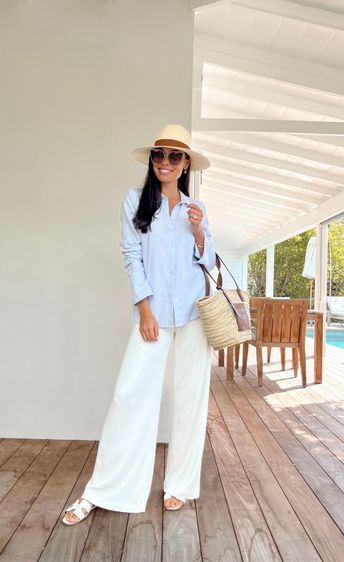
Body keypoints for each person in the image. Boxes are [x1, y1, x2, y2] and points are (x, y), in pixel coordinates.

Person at [62, 124, 216, 525]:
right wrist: (145, 309)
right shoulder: (134, 201)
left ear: (185, 165)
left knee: (190, 399)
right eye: (160, 154)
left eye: (175, 156)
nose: (166, 162)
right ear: (152, 160)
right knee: (131, 396)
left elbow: (209, 263)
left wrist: (199, 231)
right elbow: (132, 255)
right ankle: (105, 490)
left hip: (194, 314)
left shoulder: (194, 208)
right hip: (154, 314)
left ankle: (179, 485)